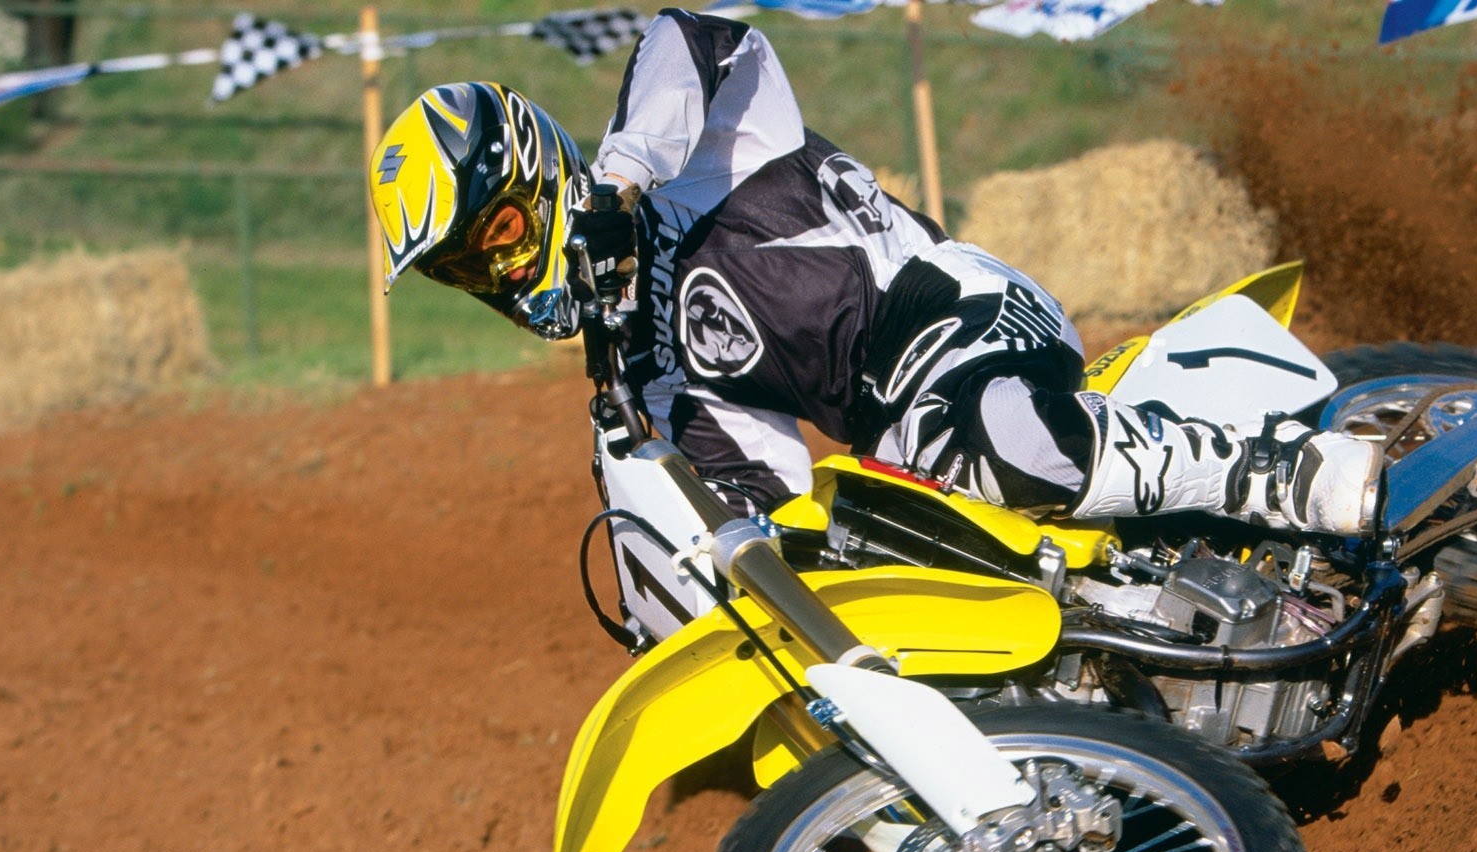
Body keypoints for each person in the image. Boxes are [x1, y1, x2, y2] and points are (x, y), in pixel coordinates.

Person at [367, 9, 1379, 535]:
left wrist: (621, 180)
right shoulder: (646, 371)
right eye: (469, 270)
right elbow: (767, 490)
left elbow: (699, 39)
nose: (503, 271)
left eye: (499, 231)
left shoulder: (690, 156)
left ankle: (1287, 477)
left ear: (539, 170)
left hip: (957, 315)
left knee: (1001, 444)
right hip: (894, 436)